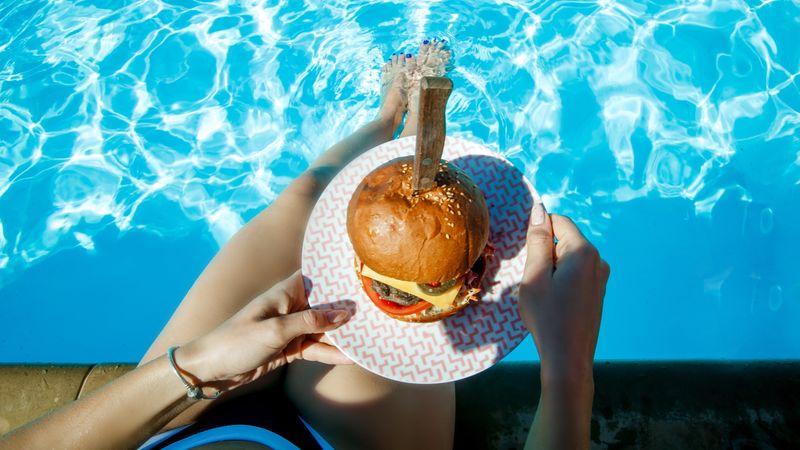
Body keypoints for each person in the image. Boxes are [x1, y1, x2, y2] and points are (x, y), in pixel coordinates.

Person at [0, 40, 609, 450]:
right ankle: (392, 120)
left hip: (182, 417)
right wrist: (567, 368)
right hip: (330, 442)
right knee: (417, 338)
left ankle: (385, 118)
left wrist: (199, 368)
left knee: (306, 197)